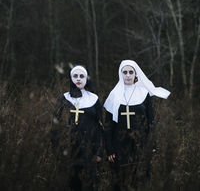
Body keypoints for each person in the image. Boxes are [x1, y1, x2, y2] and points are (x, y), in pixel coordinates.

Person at [103, 60, 170, 191]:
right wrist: (109, 149)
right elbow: (108, 125)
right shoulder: (114, 94)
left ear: (135, 74)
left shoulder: (143, 93)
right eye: (125, 72)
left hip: (141, 143)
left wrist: (152, 144)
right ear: (120, 74)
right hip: (119, 145)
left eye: (130, 72)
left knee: (140, 179)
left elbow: (151, 121)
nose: (128, 75)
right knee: (120, 180)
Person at [51, 65, 103, 191]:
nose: (78, 79)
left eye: (82, 76)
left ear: (86, 79)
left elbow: (100, 128)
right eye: (75, 76)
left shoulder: (94, 99)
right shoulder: (63, 99)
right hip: (68, 151)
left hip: (90, 150)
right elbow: (55, 127)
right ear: (70, 78)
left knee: (90, 184)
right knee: (71, 184)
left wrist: (99, 152)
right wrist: (57, 151)